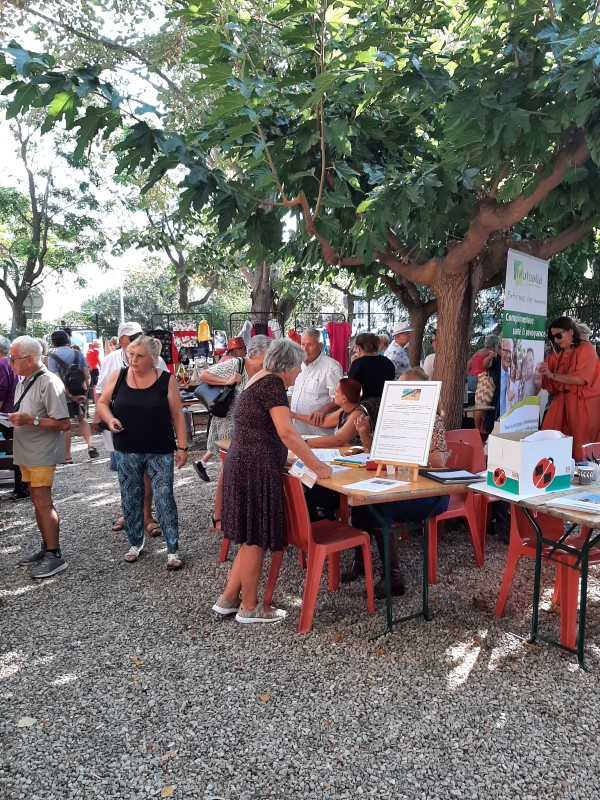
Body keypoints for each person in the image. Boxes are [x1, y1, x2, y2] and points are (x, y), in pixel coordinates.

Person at [212, 339, 332, 623]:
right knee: (255, 538)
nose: (299, 373)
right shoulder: (273, 386)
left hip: (245, 462)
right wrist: (317, 466)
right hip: (255, 466)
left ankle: (229, 598)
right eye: (298, 367)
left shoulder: (258, 381)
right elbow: (287, 433)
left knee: (248, 537)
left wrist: (288, 458)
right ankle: (251, 608)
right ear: (287, 365)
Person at [351, 367, 450, 597]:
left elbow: (439, 460)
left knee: (378, 507)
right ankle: (360, 563)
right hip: (403, 486)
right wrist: (365, 433)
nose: (399, 391)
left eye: (405, 387)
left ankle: (393, 578)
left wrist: (409, 448)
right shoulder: (394, 418)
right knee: (359, 504)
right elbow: (376, 453)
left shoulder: (432, 421)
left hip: (429, 494)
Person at [97, 335, 188, 569]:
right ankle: (135, 543)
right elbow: (102, 402)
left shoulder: (166, 379)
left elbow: (177, 414)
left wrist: (183, 447)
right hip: (127, 448)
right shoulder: (118, 376)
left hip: (160, 448)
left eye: (139, 356)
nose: (133, 360)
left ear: (153, 359)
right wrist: (110, 418)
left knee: (164, 497)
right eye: (130, 354)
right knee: (130, 496)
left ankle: (172, 549)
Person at [192, 335, 272, 535]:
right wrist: (228, 381)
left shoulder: (261, 370)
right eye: (266, 355)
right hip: (227, 422)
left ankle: (234, 513)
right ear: (253, 354)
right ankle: (218, 517)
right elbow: (204, 376)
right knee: (227, 470)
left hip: (244, 424)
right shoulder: (236, 364)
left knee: (235, 471)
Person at [94, 321, 167, 535]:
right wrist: (100, 417)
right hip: (119, 424)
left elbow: (164, 390)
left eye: (138, 334)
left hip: (147, 425)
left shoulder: (156, 359)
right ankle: (130, 513)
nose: (136, 339)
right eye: (131, 336)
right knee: (126, 473)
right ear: (121, 339)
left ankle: (146, 516)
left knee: (145, 471)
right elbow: (99, 392)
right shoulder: (110, 360)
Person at [8, 336, 71, 578]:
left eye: (14, 358)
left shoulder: (48, 382)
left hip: (42, 452)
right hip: (27, 451)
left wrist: (30, 420)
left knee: (43, 500)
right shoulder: (23, 382)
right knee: (36, 498)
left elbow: (64, 424)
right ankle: (47, 547)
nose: (10, 362)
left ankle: (55, 555)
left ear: (31, 359)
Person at [539, 316, 600, 460]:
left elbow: (581, 379)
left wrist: (552, 375)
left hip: (583, 401)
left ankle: (583, 475)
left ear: (571, 332)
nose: (556, 340)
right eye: (553, 337)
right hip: (562, 399)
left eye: (559, 335)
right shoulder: (556, 354)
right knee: (549, 435)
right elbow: (549, 385)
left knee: (581, 443)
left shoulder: (587, 349)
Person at [48, 330, 98, 462]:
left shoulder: (52, 358)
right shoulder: (77, 353)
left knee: (65, 424)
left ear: (53, 342)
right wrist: (85, 393)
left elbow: (56, 380)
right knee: (82, 420)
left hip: (63, 395)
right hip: (80, 392)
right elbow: (87, 375)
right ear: (68, 340)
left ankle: (67, 456)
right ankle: (90, 446)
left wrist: (70, 395)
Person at [290, 329, 343, 435]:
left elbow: (341, 400)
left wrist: (325, 409)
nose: (305, 349)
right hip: (296, 432)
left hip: (320, 434)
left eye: (310, 345)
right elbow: (292, 393)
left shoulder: (331, 367)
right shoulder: (297, 364)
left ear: (320, 345)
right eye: (303, 344)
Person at [0, 335, 28, 499]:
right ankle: (22, 487)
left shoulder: (2, 364)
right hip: (17, 411)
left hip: (6, 414)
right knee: (17, 449)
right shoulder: (11, 363)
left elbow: (1, 390)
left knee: (14, 449)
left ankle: (22, 487)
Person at [347, 332, 395, 399]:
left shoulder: (358, 364)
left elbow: (350, 389)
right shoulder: (388, 362)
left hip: (363, 406)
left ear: (358, 348)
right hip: (385, 403)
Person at [498, 338, 513, 417]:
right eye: (506, 351)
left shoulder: (513, 374)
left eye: (510, 352)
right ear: (500, 351)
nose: (509, 355)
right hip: (496, 422)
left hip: (511, 423)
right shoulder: (495, 373)